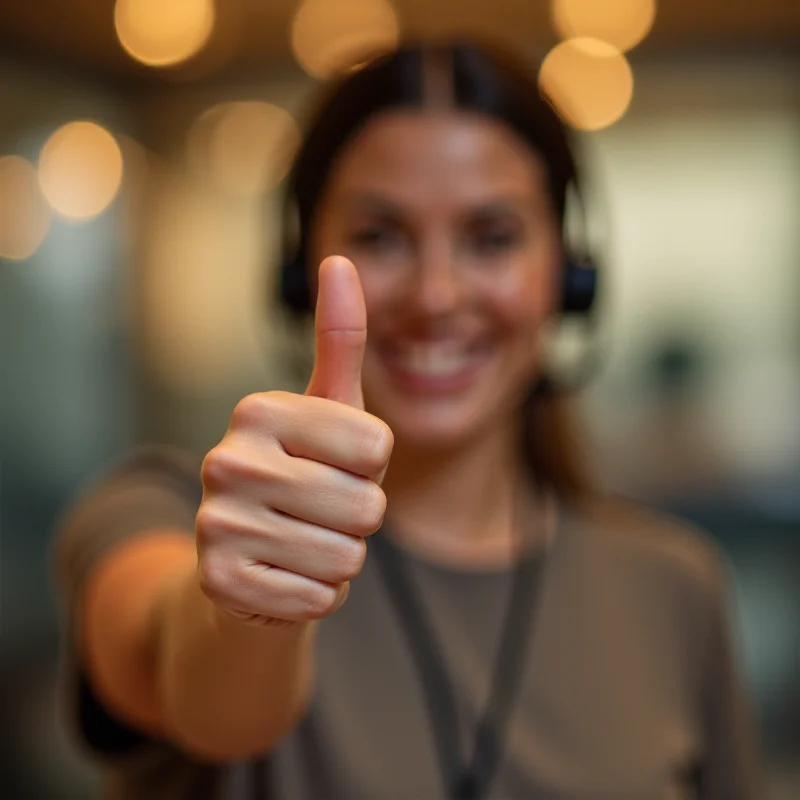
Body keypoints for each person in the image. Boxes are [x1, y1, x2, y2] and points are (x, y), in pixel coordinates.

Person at [53, 40, 763, 800]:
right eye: (380, 236)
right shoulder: (175, 514)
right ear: (300, 272)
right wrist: (248, 603)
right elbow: (201, 696)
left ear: (569, 274)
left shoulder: (673, 587)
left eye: (492, 237)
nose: (435, 296)